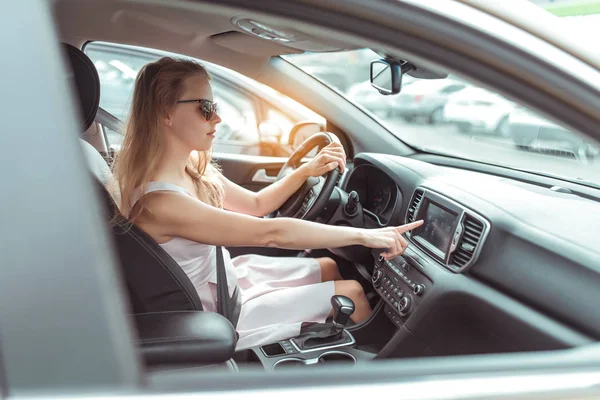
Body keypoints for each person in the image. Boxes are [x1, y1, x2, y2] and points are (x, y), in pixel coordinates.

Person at [112, 57, 423, 350]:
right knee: (352, 293)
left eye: (215, 106)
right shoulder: (161, 203)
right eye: (205, 107)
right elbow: (269, 233)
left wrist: (305, 171)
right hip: (221, 311)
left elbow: (257, 204)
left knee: (329, 265)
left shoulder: (192, 166)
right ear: (165, 112)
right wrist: (365, 235)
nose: (217, 117)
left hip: (227, 278)